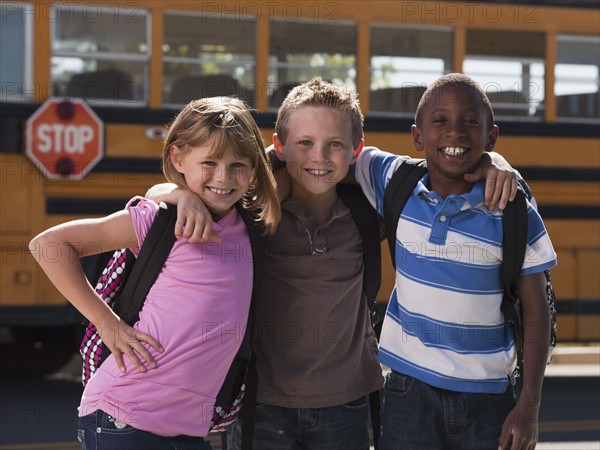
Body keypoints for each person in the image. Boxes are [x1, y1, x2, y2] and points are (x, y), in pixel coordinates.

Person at [146, 77, 518, 450]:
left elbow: (439, 174)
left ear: (356, 150)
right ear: (279, 147)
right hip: (262, 402)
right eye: (305, 143)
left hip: (347, 403)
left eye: (334, 145)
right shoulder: (254, 213)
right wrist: (179, 194)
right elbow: (162, 196)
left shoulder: (369, 211)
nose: (319, 157)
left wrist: (492, 160)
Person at [28, 97, 281, 450]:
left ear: (253, 168)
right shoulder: (159, 220)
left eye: (238, 165)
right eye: (209, 163)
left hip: (190, 429)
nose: (223, 178)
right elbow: (49, 245)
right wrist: (108, 324)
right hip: (124, 417)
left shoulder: (250, 227)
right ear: (178, 159)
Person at [353, 73, 556, 450]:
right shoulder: (394, 181)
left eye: (470, 122)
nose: (455, 132)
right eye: (440, 121)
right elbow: (327, 153)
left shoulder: (513, 211)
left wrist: (528, 406)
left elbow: (536, 309)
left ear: (490, 137)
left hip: (489, 400)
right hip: (407, 393)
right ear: (417, 137)